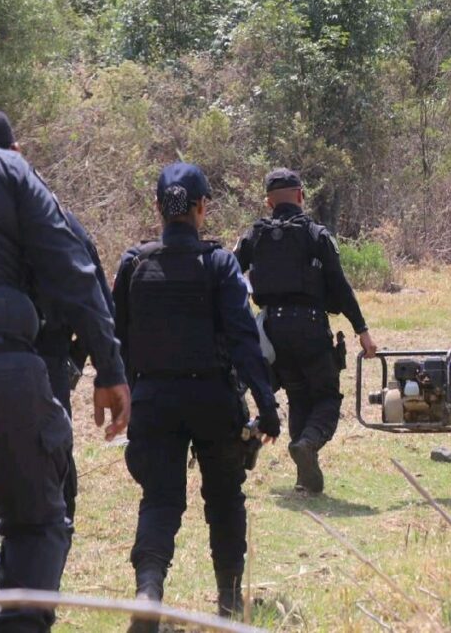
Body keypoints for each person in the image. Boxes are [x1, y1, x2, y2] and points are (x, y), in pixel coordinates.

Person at [111, 163, 280, 628]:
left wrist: (130, 394)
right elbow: (245, 340)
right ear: (203, 207)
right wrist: (267, 406)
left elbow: (117, 339)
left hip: (153, 399)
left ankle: (148, 593)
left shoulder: (134, 263)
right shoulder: (219, 262)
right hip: (213, 400)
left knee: (160, 500)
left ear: (158, 209)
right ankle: (227, 602)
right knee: (225, 498)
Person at [0, 108, 130, 632]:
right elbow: (79, 275)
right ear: (16, 150)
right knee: (39, 521)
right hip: (15, 374)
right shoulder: (13, 174)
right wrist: (109, 368)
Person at [234, 168, 378, 495]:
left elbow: (229, 276)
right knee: (326, 395)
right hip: (310, 326)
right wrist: (362, 330)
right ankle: (308, 443)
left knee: (298, 393)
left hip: (270, 329)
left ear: (268, 202)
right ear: (301, 195)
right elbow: (340, 288)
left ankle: (302, 469)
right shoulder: (316, 234)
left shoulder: (253, 237)